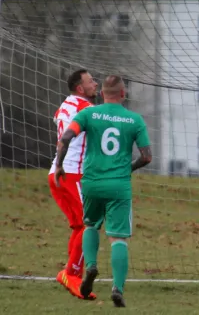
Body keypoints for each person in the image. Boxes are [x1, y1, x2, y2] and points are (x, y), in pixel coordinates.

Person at [55, 75, 152, 307]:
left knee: (90, 225)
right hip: (118, 185)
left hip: (92, 182)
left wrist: (59, 164)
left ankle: (90, 267)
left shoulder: (88, 114)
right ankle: (117, 288)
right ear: (123, 94)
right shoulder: (135, 120)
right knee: (118, 237)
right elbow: (147, 156)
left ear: (101, 94)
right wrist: (130, 167)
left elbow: (67, 136)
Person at [48, 69, 98, 299]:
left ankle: (71, 274)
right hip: (71, 174)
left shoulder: (65, 105)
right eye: (91, 82)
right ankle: (71, 274)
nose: (95, 84)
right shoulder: (85, 109)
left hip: (58, 173)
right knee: (90, 225)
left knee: (80, 225)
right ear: (80, 88)